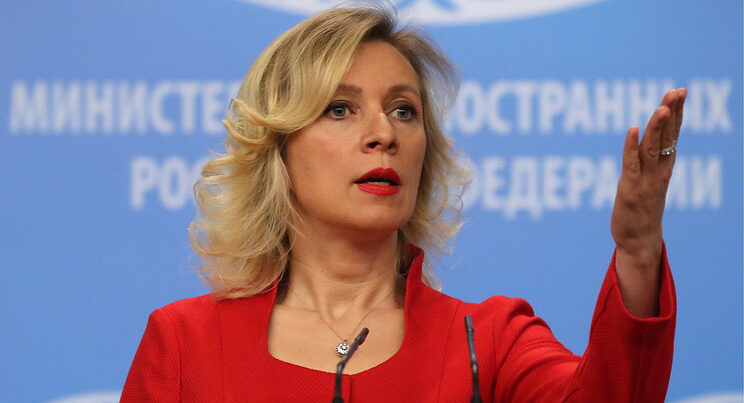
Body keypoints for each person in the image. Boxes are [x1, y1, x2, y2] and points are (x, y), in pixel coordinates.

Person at [122, 5, 684, 402]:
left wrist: (638, 251)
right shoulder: (186, 345)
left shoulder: (489, 340)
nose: (384, 134)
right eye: (340, 109)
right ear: (279, 148)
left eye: (403, 110)